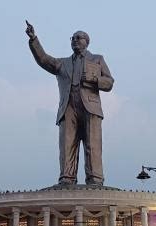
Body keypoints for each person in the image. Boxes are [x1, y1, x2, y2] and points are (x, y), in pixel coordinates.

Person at [26, 21, 114, 186]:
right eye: (72, 38)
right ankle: (67, 178)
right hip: (68, 107)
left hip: (90, 107)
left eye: (78, 38)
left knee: (92, 145)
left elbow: (109, 82)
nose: (74, 40)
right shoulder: (62, 63)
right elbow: (44, 59)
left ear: (86, 42)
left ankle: (95, 178)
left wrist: (94, 79)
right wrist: (33, 39)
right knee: (67, 145)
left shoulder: (97, 59)